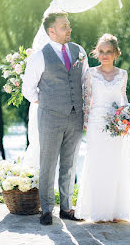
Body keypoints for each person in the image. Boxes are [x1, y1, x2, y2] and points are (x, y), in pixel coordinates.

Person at [22, 12, 88, 225]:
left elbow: (85, 81)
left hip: (75, 116)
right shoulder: (39, 56)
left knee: (69, 163)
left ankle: (67, 208)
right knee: (48, 162)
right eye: (64, 26)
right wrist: (47, 103)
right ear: (52, 31)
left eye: (68, 25)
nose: (69, 29)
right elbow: (28, 90)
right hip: (50, 117)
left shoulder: (80, 51)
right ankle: (47, 209)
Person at [75, 33, 130, 222]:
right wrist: (85, 123)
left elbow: (123, 98)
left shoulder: (123, 74)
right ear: (97, 53)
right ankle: (98, 211)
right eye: (101, 51)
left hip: (117, 125)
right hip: (96, 123)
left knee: (115, 164)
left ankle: (116, 211)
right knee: (97, 163)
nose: (105, 55)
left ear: (116, 53)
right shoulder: (91, 73)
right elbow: (86, 99)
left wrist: (129, 118)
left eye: (109, 52)